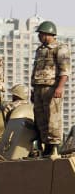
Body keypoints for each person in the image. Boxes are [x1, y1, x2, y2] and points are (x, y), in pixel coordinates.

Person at [31, 21, 71, 157]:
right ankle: (46, 146)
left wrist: (59, 87)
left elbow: (65, 71)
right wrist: (33, 90)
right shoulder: (40, 50)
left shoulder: (60, 48)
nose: (39, 37)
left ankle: (54, 146)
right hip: (38, 88)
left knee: (53, 118)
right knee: (40, 118)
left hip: (52, 88)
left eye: (41, 34)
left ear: (48, 34)